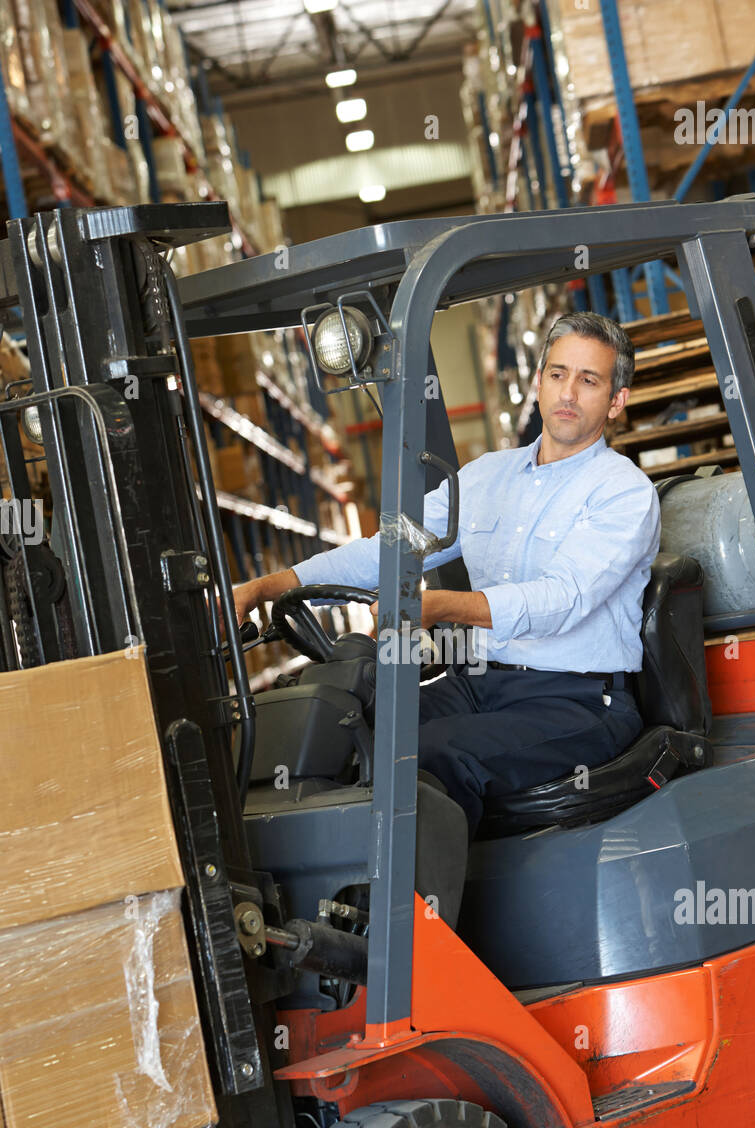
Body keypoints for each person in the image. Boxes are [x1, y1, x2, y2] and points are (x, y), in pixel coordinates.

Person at [233, 311, 660, 839]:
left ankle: (419, 916)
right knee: (348, 727)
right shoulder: (484, 478)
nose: (568, 391)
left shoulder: (623, 492)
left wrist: (441, 607)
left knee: (433, 756)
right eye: (557, 373)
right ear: (539, 380)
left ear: (616, 400)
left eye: (588, 380)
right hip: (481, 684)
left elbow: (561, 600)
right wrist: (266, 587)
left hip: (577, 702)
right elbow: (389, 551)